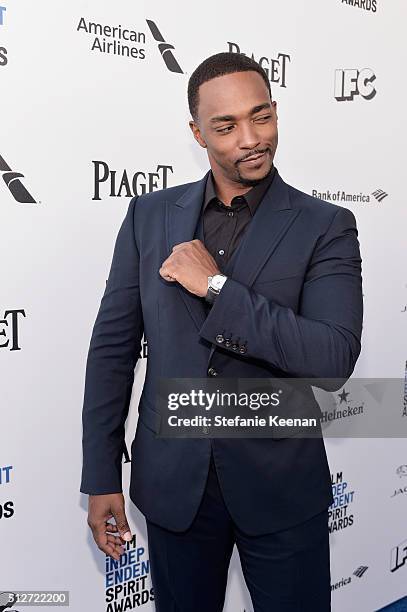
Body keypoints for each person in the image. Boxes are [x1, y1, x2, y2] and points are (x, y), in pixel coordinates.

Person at [80, 52, 363, 611]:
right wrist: (100, 474)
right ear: (197, 132)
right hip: (173, 487)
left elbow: (332, 359)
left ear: (276, 112)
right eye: (227, 126)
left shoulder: (325, 225)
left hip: (282, 489)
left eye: (262, 117)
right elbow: (112, 351)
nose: (251, 138)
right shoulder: (149, 216)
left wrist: (216, 289)